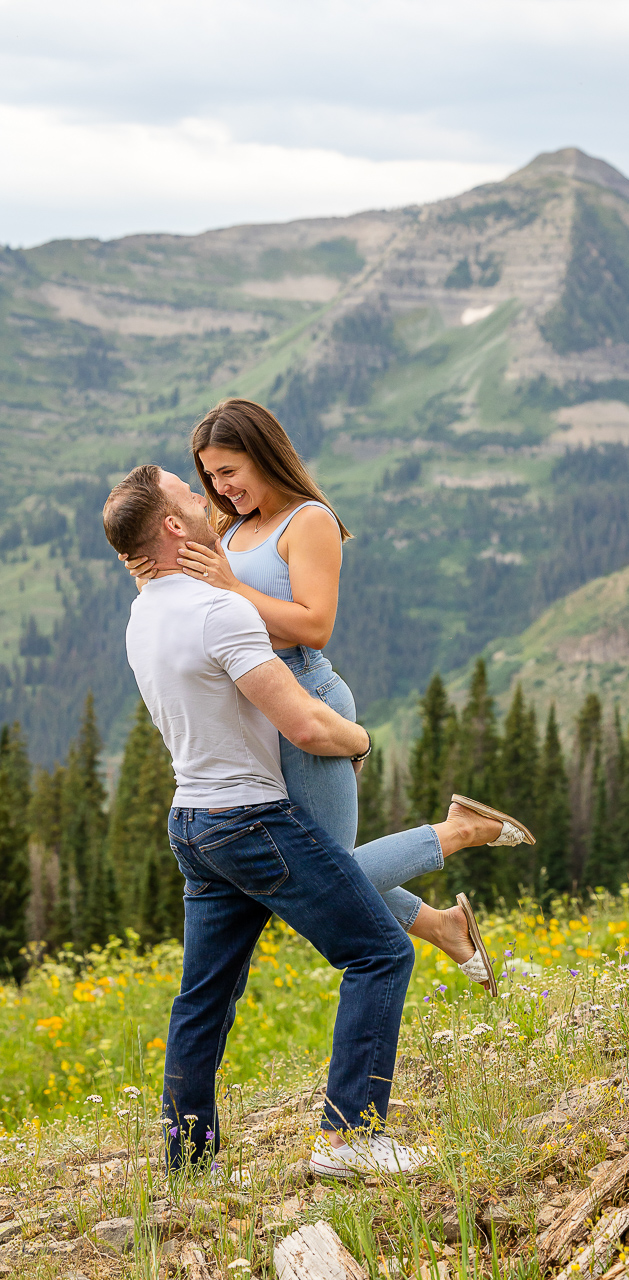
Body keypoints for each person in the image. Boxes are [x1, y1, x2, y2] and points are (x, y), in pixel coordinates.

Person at [103, 464, 533, 1177]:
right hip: (252, 823)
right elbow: (304, 726)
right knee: (379, 954)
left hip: (192, 825)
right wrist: (361, 740)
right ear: (174, 527)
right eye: (188, 491)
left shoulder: (144, 611)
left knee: (203, 999)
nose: (203, 497)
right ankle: (350, 1138)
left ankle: (187, 1165)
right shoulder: (219, 613)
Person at [121, 399, 534, 986]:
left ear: (263, 455)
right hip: (263, 713)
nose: (219, 487)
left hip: (307, 699)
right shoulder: (227, 526)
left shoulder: (308, 521)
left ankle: (461, 830)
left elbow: (314, 624)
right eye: (209, 476)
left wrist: (232, 585)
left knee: (329, 876)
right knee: (325, 875)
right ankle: (444, 926)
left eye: (229, 471)